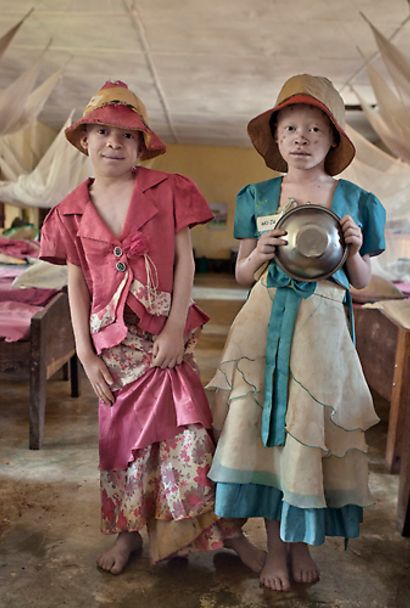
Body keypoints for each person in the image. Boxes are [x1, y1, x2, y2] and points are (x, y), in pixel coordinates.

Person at [39, 80, 265, 575]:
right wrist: (85, 352)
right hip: (111, 349)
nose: (113, 144)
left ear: (142, 146)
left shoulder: (170, 190)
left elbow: (185, 263)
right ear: (85, 141)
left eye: (126, 136)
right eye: (101, 132)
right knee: (122, 444)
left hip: (166, 338)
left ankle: (228, 533)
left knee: (191, 439)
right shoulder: (70, 211)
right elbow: (76, 283)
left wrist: (174, 327)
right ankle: (127, 535)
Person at [206, 74, 385, 591]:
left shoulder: (354, 199)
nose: (301, 138)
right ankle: (275, 551)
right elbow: (242, 274)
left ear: (333, 140)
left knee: (307, 431)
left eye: (313, 129)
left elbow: (363, 282)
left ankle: (301, 542)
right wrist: (259, 253)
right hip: (263, 324)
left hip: (321, 329)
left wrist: (352, 250)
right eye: (290, 129)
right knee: (262, 431)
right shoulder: (257, 195)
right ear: (276, 138)